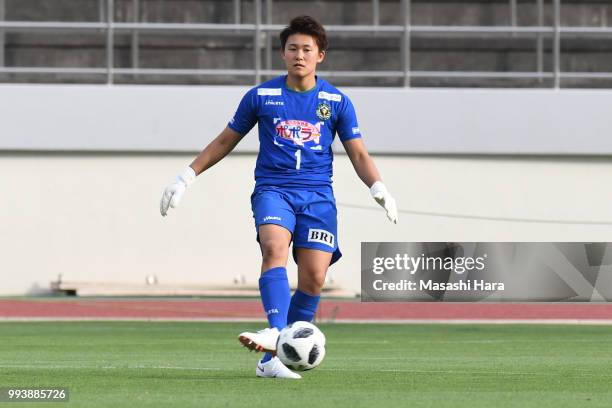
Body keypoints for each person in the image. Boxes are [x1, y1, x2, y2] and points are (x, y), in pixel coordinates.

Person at [160, 15, 398, 379]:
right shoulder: (262, 96)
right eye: (292, 48)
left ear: (320, 55)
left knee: (314, 278)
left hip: (318, 197)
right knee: (274, 249)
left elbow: (359, 154)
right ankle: (274, 330)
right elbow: (226, 140)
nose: (299, 55)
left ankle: (274, 358)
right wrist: (186, 175)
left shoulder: (336, 101)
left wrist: (378, 186)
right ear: (283, 54)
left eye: (307, 49)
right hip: (274, 190)